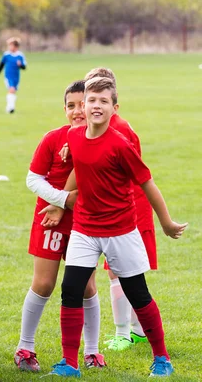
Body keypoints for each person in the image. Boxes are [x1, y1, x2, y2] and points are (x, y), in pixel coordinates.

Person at [48, 77, 187, 377]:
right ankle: (69, 363)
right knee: (70, 289)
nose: (96, 106)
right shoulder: (74, 136)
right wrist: (60, 202)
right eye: (91, 100)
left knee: (137, 293)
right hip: (85, 229)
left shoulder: (120, 145)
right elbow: (78, 169)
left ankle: (161, 358)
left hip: (121, 230)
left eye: (103, 101)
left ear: (114, 108)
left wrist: (166, 223)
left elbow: (147, 184)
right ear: (82, 105)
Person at [14, 80, 103, 372]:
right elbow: (32, 179)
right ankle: (25, 348)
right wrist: (63, 200)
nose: (78, 111)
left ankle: (92, 351)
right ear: (64, 109)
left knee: (87, 286)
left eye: (83, 104)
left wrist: (70, 201)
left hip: (85, 222)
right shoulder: (53, 138)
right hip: (50, 219)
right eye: (71, 106)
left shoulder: (101, 139)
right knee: (43, 283)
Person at [82, 67, 158, 352]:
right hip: (124, 209)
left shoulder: (118, 129)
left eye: (100, 99)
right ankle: (137, 331)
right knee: (127, 273)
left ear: (112, 100)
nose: (92, 106)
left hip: (127, 211)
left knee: (119, 273)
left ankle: (123, 333)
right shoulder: (108, 125)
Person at [0, 37, 27, 114]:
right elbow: (1, 65)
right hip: (8, 76)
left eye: (11, 45)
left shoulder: (20, 55)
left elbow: (24, 67)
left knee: (13, 91)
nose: (9, 47)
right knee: (11, 89)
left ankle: (9, 107)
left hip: (16, 77)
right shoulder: (6, 55)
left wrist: (20, 65)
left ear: (16, 46)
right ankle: (11, 108)